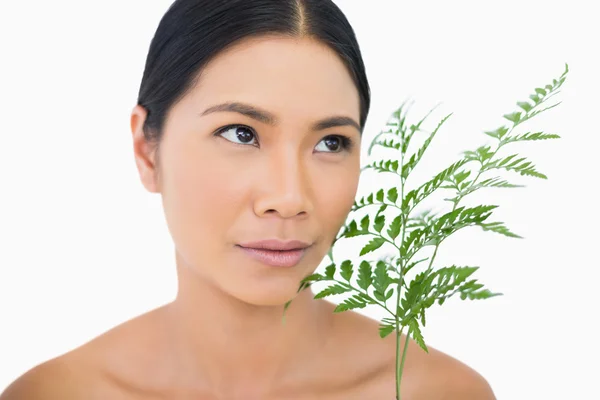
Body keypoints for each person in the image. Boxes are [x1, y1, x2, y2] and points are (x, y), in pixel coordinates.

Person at [0, 0, 496, 398]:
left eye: (331, 142)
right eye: (240, 133)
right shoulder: (52, 394)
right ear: (146, 150)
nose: (289, 197)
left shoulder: (435, 392)